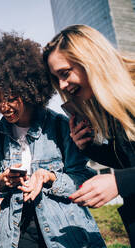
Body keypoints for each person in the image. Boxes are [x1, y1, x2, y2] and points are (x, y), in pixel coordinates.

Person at [0, 32, 105, 248]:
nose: (4, 107)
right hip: (16, 233)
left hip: (63, 229)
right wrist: (2, 181)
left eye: (12, 98)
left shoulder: (59, 126)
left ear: (29, 90)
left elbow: (81, 180)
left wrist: (48, 177)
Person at [43, 24, 135, 245]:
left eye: (65, 74)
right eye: (57, 79)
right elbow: (127, 160)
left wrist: (119, 183)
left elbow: (125, 175)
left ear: (90, 58)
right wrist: (89, 147)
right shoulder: (110, 107)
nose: (63, 86)